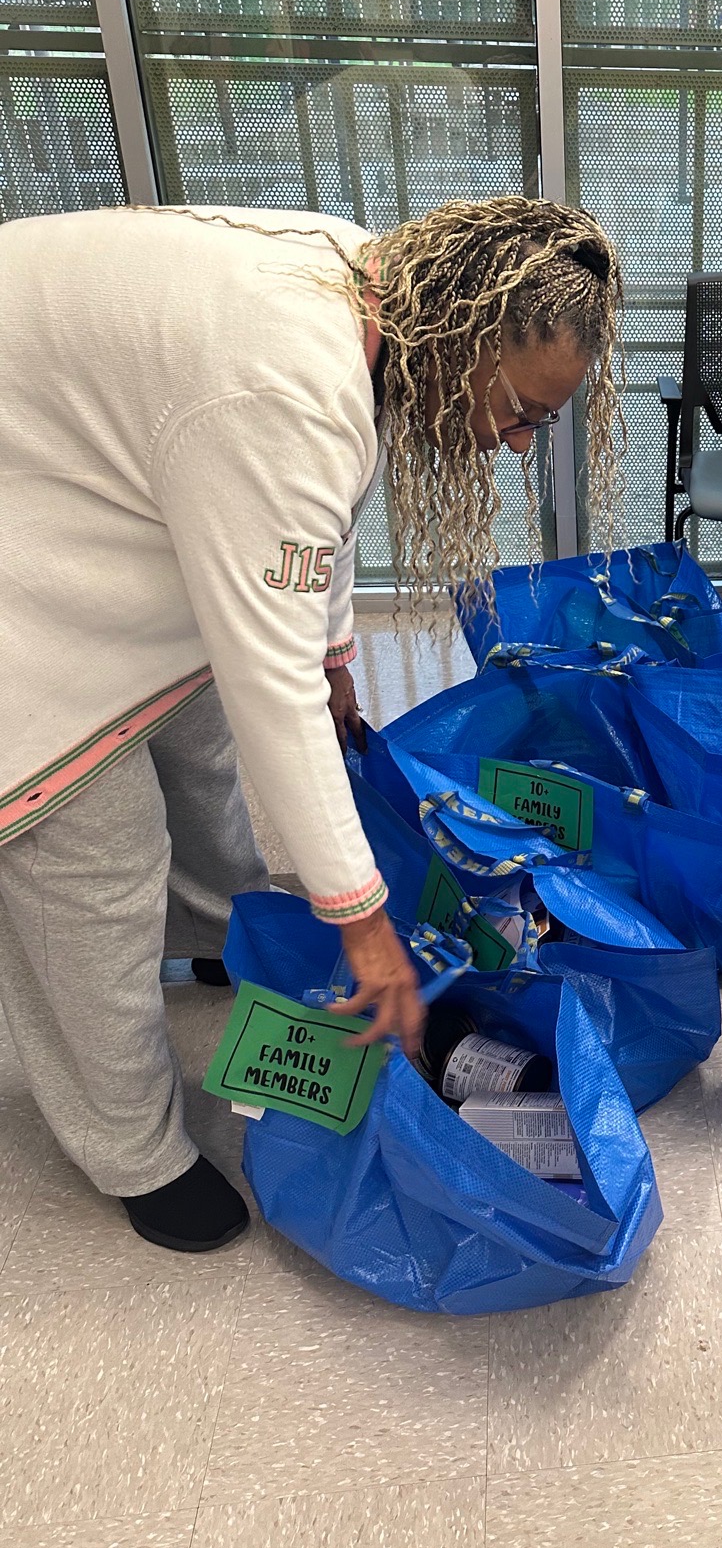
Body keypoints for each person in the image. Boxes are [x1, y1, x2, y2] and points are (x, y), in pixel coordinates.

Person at [0, 197, 625, 1253]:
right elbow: (272, 687)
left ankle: (214, 934)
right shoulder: (282, 388)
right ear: (465, 339)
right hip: (30, 520)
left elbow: (313, 516)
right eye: (521, 411)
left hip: (77, 456)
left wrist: (336, 654)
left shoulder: (378, 300)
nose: (519, 446)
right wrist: (362, 926)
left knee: (195, 737)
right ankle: (132, 1149)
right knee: (90, 845)